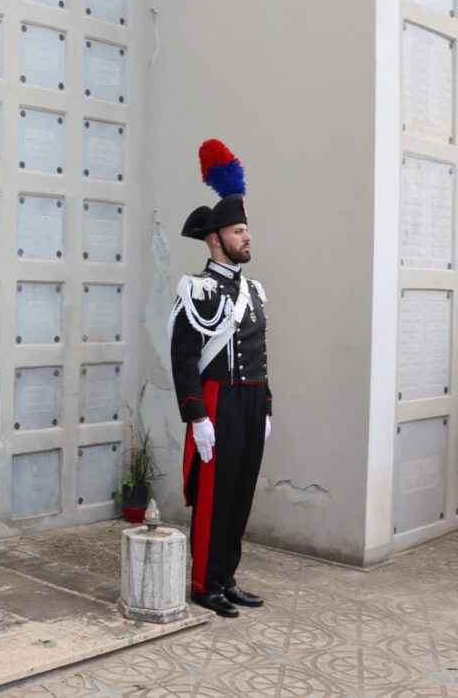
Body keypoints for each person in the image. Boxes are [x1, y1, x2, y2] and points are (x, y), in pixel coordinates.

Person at [169, 139, 271, 619]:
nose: (247, 237)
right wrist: (197, 415)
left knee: (242, 491)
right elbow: (184, 357)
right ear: (215, 239)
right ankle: (203, 583)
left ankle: (227, 577)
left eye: (247, 229)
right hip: (217, 402)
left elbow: (260, 352)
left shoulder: (253, 289)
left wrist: (266, 405)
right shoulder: (197, 289)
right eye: (238, 230)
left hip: (250, 404)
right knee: (213, 496)